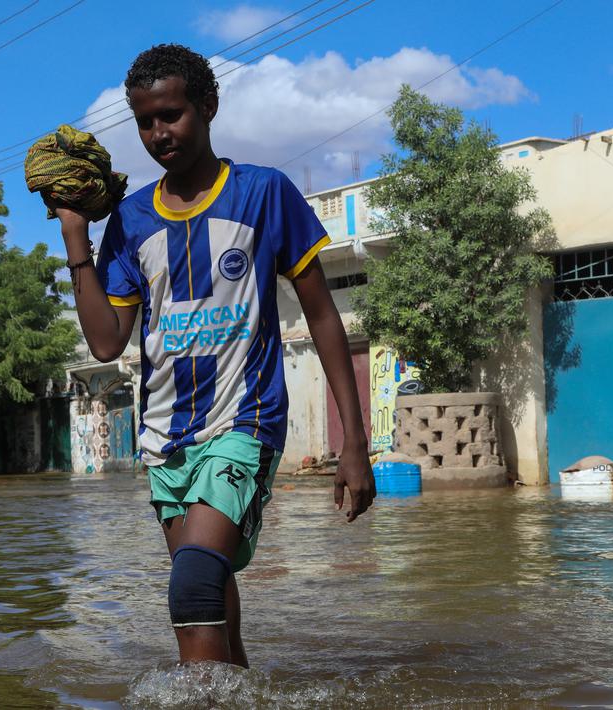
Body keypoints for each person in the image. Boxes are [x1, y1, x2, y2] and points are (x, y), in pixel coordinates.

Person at [51, 44, 375, 666]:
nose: (157, 134)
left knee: (193, 583)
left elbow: (322, 316)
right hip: (165, 439)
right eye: (144, 121)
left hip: (244, 423)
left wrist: (355, 444)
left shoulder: (264, 194)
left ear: (208, 106)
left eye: (170, 115)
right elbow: (105, 342)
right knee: (214, 601)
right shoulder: (131, 220)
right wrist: (76, 239)